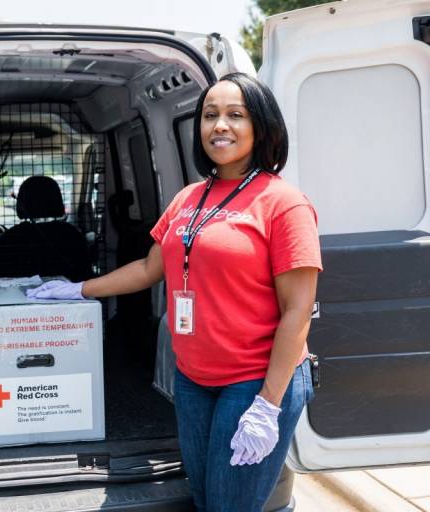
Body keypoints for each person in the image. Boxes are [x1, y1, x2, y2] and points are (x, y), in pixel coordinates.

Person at [26, 72, 321, 512]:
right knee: (204, 500)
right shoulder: (189, 198)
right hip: (194, 380)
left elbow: (297, 311)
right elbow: (150, 268)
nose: (219, 125)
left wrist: (268, 404)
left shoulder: (283, 203)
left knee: (230, 507)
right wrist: (79, 290)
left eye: (235, 115)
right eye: (210, 115)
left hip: (254, 381)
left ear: (262, 127)